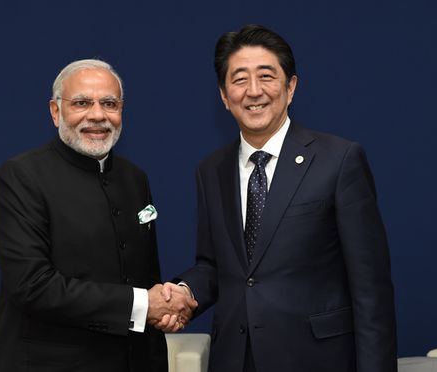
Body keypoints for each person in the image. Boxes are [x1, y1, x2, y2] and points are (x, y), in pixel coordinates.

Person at [160, 25, 397, 372]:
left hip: (317, 360)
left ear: (291, 87)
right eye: (239, 79)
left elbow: (371, 290)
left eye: (266, 76)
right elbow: (215, 265)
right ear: (224, 96)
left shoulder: (339, 160)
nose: (254, 91)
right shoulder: (210, 170)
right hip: (235, 358)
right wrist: (183, 292)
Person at [0, 59, 197, 372]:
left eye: (109, 103)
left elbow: (144, 277)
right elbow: (32, 286)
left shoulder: (134, 178)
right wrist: (143, 305)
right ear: (55, 111)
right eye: (82, 103)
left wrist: (164, 307)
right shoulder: (22, 176)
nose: (98, 115)